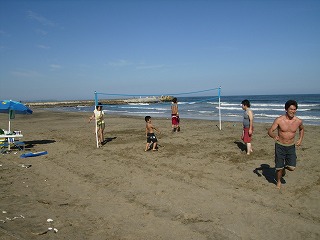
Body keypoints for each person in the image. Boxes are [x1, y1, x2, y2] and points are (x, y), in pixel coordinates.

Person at [268, 100, 304, 189]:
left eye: (295, 109)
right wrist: (273, 135)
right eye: (291, 109)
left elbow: (302, 129)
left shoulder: (298, 121)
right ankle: (279, 181)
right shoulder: (279, 120)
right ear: (286, 109)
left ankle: (283, 168)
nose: (293, 111)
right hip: (280, 145)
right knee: (279, 167)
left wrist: (300, 139)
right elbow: (270, 131)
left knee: (292, 167)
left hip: (291, 146)